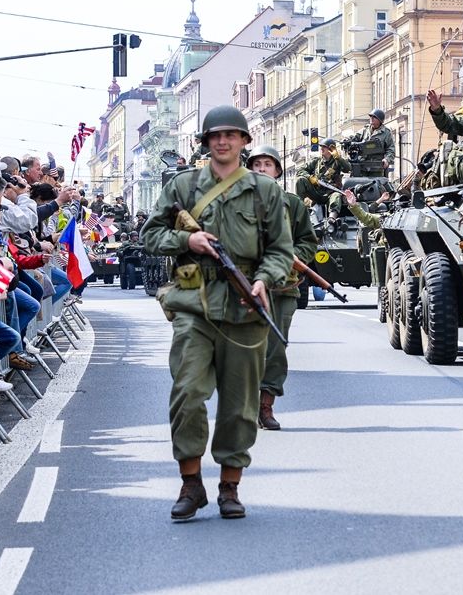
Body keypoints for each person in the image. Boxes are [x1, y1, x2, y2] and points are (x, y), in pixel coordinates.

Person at [141, 105, 292, 522]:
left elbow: (281, 249)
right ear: (205, 142)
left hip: (246, 308)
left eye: (231, 135)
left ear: (244, 141)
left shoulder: (265, 191)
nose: (223, 142)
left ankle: (230, 486)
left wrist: (264, 280)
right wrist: (187, 243)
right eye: (215, 136)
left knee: (240, 406)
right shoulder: (183, 187)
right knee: (188, 393)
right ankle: (191, 482)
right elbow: (150, 235)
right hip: (194, 303)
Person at [246, 145, 317, 431]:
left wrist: (294, 255)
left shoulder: (293, 204)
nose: (262, 169)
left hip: (282, 288)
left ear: (277, 171)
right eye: (257, 165)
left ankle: (265, 406)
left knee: (275, 349)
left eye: (268, 164)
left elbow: (308, 242)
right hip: (245, 288)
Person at [295, 138, 351, 219]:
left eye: (324, 147)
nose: (321, 149)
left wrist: (338, 158)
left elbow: (348, 168)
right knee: (300, 180)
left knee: (336, 196)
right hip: (316, 192)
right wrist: (310, 177)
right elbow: (300, 170)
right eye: (321, 147)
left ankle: (332, 218)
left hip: (330, 192)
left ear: (330, 149)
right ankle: (300, 210)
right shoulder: (316, 161)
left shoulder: (337, 162)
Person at [346, 109, 394, 177]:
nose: (371, 119)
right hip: (361, 165)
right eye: (370, 117)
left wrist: (387, 159)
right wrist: (348, 140)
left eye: (374, 117)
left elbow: (391, 150)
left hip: (376, 167)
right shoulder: (365, 130)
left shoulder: (386, 133)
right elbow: (355, 138)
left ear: (380, 120)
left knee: (377, 185)